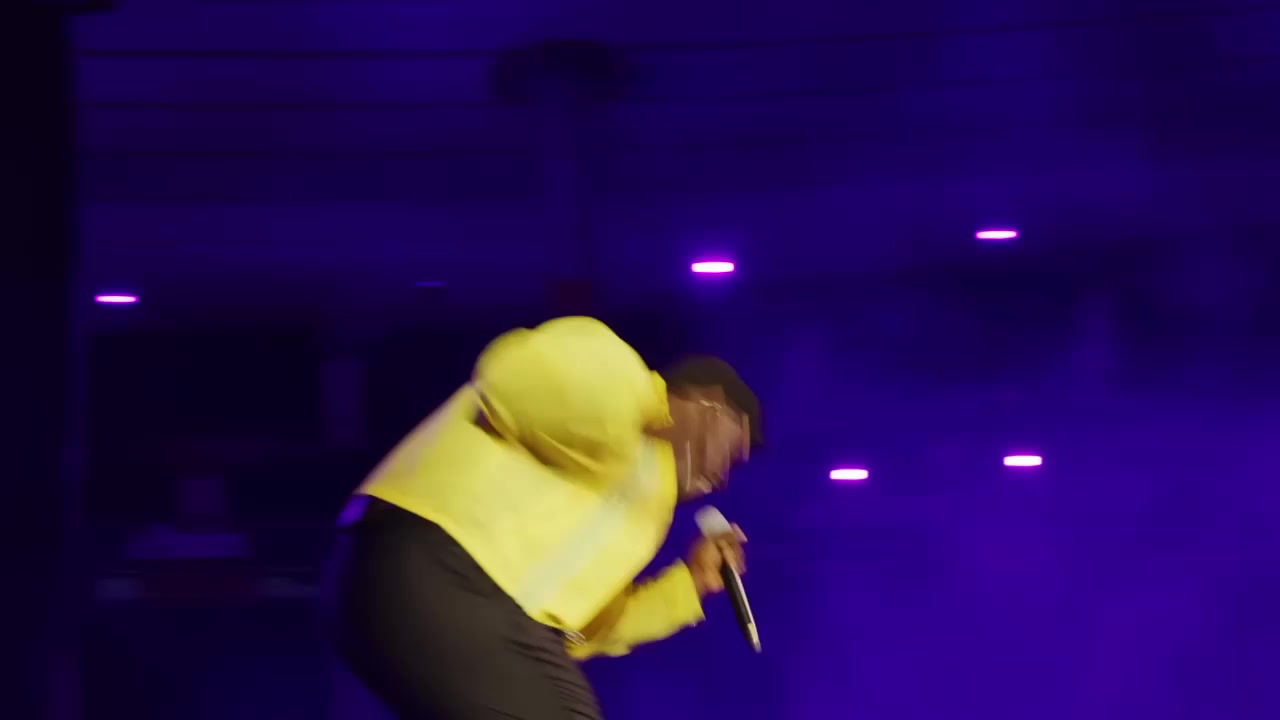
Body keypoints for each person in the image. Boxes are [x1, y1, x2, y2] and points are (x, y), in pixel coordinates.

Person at [328, 316, 762, 719]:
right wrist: (652, 411)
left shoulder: (647, 510)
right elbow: (510, 376)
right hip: (429, 556)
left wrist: (690, 583)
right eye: (731, 447)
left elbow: (581, 630)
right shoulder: (618, 374)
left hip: (488, 615)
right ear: (707, 402)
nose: (722, 474)